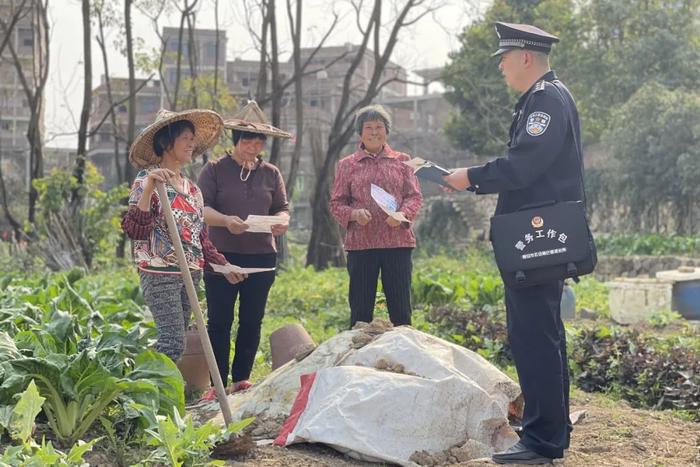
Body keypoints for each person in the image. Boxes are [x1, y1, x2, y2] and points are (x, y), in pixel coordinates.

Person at [444, 22, 583, 465]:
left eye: (504, 58)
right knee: (542, 333)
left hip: (537, 237)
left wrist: (473, 177)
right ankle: (547, 431)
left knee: (535, 335)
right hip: (537, 236)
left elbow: (524, 166)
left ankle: (542, 442)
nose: (502, 67)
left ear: (525, 56)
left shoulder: (546, 101)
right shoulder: (542, 99)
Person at [121, 109, 245, 363]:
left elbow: (200, 240)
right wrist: (148, 190)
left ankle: (154, 392)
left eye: (193, 138)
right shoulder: (146, 180)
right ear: (166, 142)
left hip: (190, 274)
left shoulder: (193, 189)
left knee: (176, 343)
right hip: (160, 273)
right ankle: (139, 392)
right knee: (172, 343)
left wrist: (224, 265)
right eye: (185, 138)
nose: (192, 143)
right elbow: (135, 231)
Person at [197, 101, 292, 400]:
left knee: (252, 318)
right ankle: (216, 383)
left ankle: (242, 378)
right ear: (235, 141)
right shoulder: (214, 170)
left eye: (258, 142)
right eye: (247, 141)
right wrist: (225, 221)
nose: (253, 147)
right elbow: (201, 208)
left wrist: (280, 223)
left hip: (262, 256)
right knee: (220, 320)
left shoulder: (271, 173)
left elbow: (282, 209)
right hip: (222, 256)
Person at [329, 104, 423, 328]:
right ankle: (359, 359)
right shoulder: (346, 165)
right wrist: (354, 214)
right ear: (359, 133)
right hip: (361, 245)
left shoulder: (402, 160)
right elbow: (336, 203)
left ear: (387, 131)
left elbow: (414, 196)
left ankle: (403, 357)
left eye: (379, 127)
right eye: (368, 127)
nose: (374, 132)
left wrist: (402, 214)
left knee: (401, 311)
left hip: (397, 243)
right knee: (361, 313)